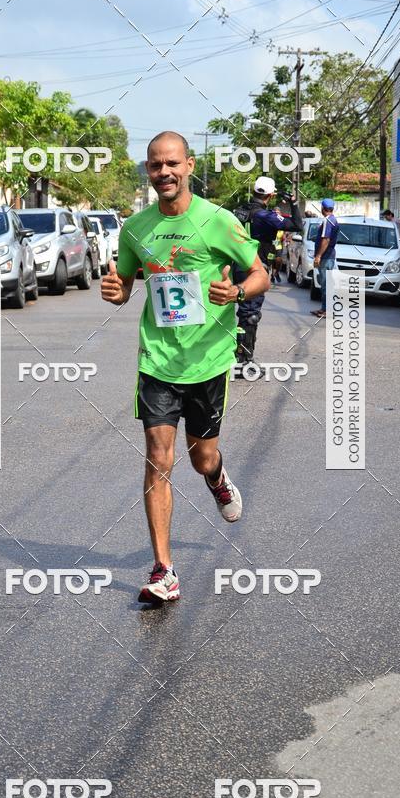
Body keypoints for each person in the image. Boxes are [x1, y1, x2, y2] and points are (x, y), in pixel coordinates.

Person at [100, 131, 269, 604]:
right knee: (159, 456)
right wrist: (116, 291)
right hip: (157, 361)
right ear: (148, 171)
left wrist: (236, 292)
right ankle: (164, 570)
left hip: (208, 361)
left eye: (172, 163)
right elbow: (126, 285)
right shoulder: (135, 228)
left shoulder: (218, 222)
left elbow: (261, 275)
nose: (164, 173)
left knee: (201, 458)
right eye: (155, 166)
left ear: (190, 165)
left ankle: (216, 479)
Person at [233, 177, 303, 364]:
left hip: (235, 266)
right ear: (270, 195)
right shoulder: (266, 216)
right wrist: (293, 203)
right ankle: (243, 359)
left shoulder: (238, 211)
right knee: (251, 315)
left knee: (243, 313)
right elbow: (297, 225)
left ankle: (237, 354)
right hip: (255, 269)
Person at [310, 198, 340, 319]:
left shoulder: (328, 221)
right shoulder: (332, 220)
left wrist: (318, 256)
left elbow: (326, 240)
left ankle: (327, 310)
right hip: (328, 256)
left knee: (326, 284)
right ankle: (324, 309)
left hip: (326, 257)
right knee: (325, 284)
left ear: (323, 208)